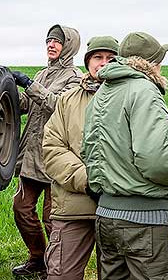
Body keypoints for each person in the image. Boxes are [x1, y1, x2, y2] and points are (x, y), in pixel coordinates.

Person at [81, 31, 168, 280]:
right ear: (152, 63)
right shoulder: (144, 91)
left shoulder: (100, 95)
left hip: (106, 216)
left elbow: (88, 151)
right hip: (145, 220)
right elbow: (156, 160)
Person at [42, 36, 119, 279]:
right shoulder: (68, 100)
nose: (103, 63)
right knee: (62, 274)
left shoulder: (130, 98)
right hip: (73, 207)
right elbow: (52, 148)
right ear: (88, 62)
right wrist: (88, 180)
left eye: (111, 59)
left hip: (119, 208)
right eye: (98, 57)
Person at [11, 24, 82, 277]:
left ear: (69, 46)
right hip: (31, 159)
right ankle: (38, 258)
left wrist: (29, 84)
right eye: (49, 40)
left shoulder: (76, 77)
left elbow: (58, 104)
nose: (51, 44)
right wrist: (7, 89)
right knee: (21, 208)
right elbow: (25, 105)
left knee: (53, 220)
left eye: (57, 41)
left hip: (55, 159)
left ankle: (56, 267)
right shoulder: (43, 74)